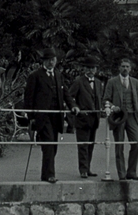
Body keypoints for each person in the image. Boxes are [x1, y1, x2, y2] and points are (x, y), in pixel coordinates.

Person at [22, 49, 66, 183]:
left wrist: (73, 106)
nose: (51, 62)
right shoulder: (35, 76)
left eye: (53, 59)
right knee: (49, 142)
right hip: (42, 116)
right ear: (43, 61)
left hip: (56, 115)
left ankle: (45, 174)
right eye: (48, 60)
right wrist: (31, 117)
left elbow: (65, 94)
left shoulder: (58, 75)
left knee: (53, 146)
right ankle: (50, 175)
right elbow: (28, 97)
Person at [103, 57, 138, 180]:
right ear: (119, 68)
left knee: (137, 143)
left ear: (130, 69)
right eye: (123, 66)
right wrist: (113, 106)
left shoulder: (135, 82)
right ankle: (122, 174)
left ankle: (131, 172)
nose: (125, 68)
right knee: (119, 145)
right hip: (119, 117)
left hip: (133, 116)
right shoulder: (112, 82)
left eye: (127, 66)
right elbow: (105, 100)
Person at [66, 56, 104, 179]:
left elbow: (99, 99)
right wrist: (76, 108)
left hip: (94, 118)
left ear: (96, 69)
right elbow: (70, 97)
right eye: (88, 68)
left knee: (91, 145)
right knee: (83, 145)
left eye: (92, 68)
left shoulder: (98, 83)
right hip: (82, 118)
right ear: (84, 69)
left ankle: (88, 168)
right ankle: (82, 169)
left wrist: (101, 110)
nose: (90, 70)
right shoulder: (78, 81)